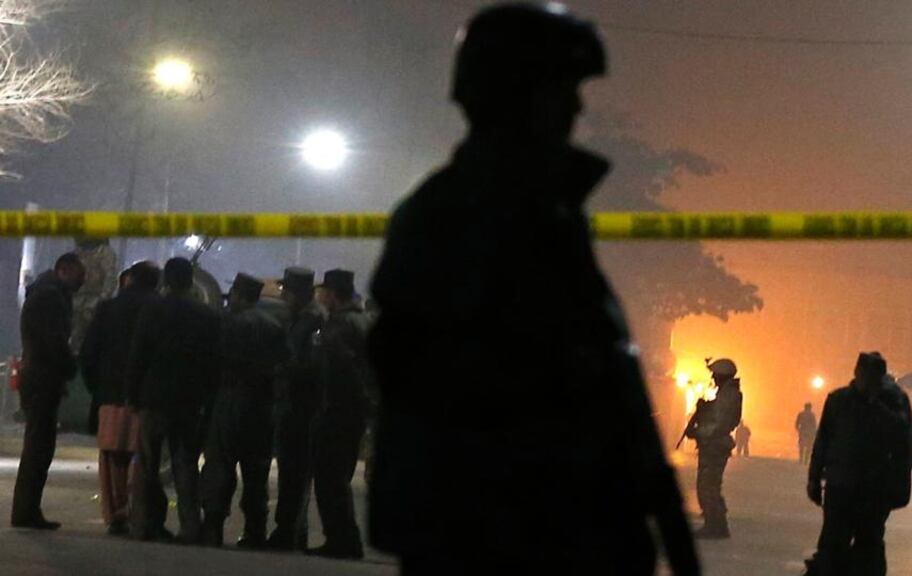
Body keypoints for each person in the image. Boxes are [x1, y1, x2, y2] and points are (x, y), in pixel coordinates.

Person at [368, 4, 699, 575]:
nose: (576, 107)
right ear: (513, 94)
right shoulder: (466, 216)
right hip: (500, 531)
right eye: (561, 89)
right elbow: (441, 382)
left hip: (542, 523)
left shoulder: (541, 212)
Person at [126, 257, 221, 544]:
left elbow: (138, 354)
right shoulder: (207, 316)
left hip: (153, 400)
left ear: (166, 280)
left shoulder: (152, 310)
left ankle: (144, 524)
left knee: (147, 465)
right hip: (190, 402)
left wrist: (133, 395)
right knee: (185, 465)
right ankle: (190, 527)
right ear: (191, 280)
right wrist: (208, 400)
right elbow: (213, 364)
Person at [805, 352, 912, 576]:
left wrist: (896, 483)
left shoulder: (894, 405)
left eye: (874, 378)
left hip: (874, 491)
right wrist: (814, 478)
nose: (868, 382)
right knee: (833, 544)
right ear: (857, 373)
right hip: (841, 486)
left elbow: (906, 447)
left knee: (869, 546)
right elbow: (823, 441)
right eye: (865, 376)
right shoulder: (838, 400)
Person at [200, 273, 287, 548]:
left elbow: (212, 362)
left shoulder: (226, 322)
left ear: (237, 294)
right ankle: (255, 532)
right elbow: (284, 363)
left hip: (229, 399)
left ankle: (213, 528)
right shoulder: (274, 325)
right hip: (262, 405)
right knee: (256, 471)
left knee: (220, 465)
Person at [79, 261, 161, 535]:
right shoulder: (158, 308)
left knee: (112, 456)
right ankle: (140, 514)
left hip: (110, 395)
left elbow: (89, 353)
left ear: (128, 280)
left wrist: (98, 389)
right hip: (146, 397)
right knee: (144, 456)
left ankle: (115, 515)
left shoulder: (107, 309)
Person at [10, 253, 86, 530]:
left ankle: (27, 509)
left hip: (38, 377)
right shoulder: (50, 297)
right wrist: (69, 365)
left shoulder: (45, 294)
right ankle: (26, 511)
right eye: (80, 275)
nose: (82, 282)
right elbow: (53, 341)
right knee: (38, 448)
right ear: (64, 270)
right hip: (42, 379)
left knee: (38, 446)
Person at [306, 269, 372, 559]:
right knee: (337, 476)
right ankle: (343, 539)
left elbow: (336, 371)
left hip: (338, 410)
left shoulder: (342, 326)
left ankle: (343, 540)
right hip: (354, 411)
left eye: (324, 292)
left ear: (332, 294)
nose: (320, 297)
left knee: (330, 477)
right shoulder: (362, 320)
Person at [267, 267, 326, 551]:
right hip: (295, 403)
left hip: (302, 406)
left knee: (296, 472)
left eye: (286, 292)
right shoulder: (304, 317)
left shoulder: (313, 320)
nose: (283, 297)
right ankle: (289, 529)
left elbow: (311, 365)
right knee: (292, 471)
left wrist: (282, 369)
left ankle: (289, 531)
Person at [682, 358, 744, 539]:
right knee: (710, 486)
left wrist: (697, 432)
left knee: (708, 487)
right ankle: (716, 524)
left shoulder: (728, 396)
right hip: (713, 445)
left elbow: (718, 423)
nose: (713, 378)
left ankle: (714, 525)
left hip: (714, 445)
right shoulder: (727, 394)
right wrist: (706, 407)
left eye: (715, 375)